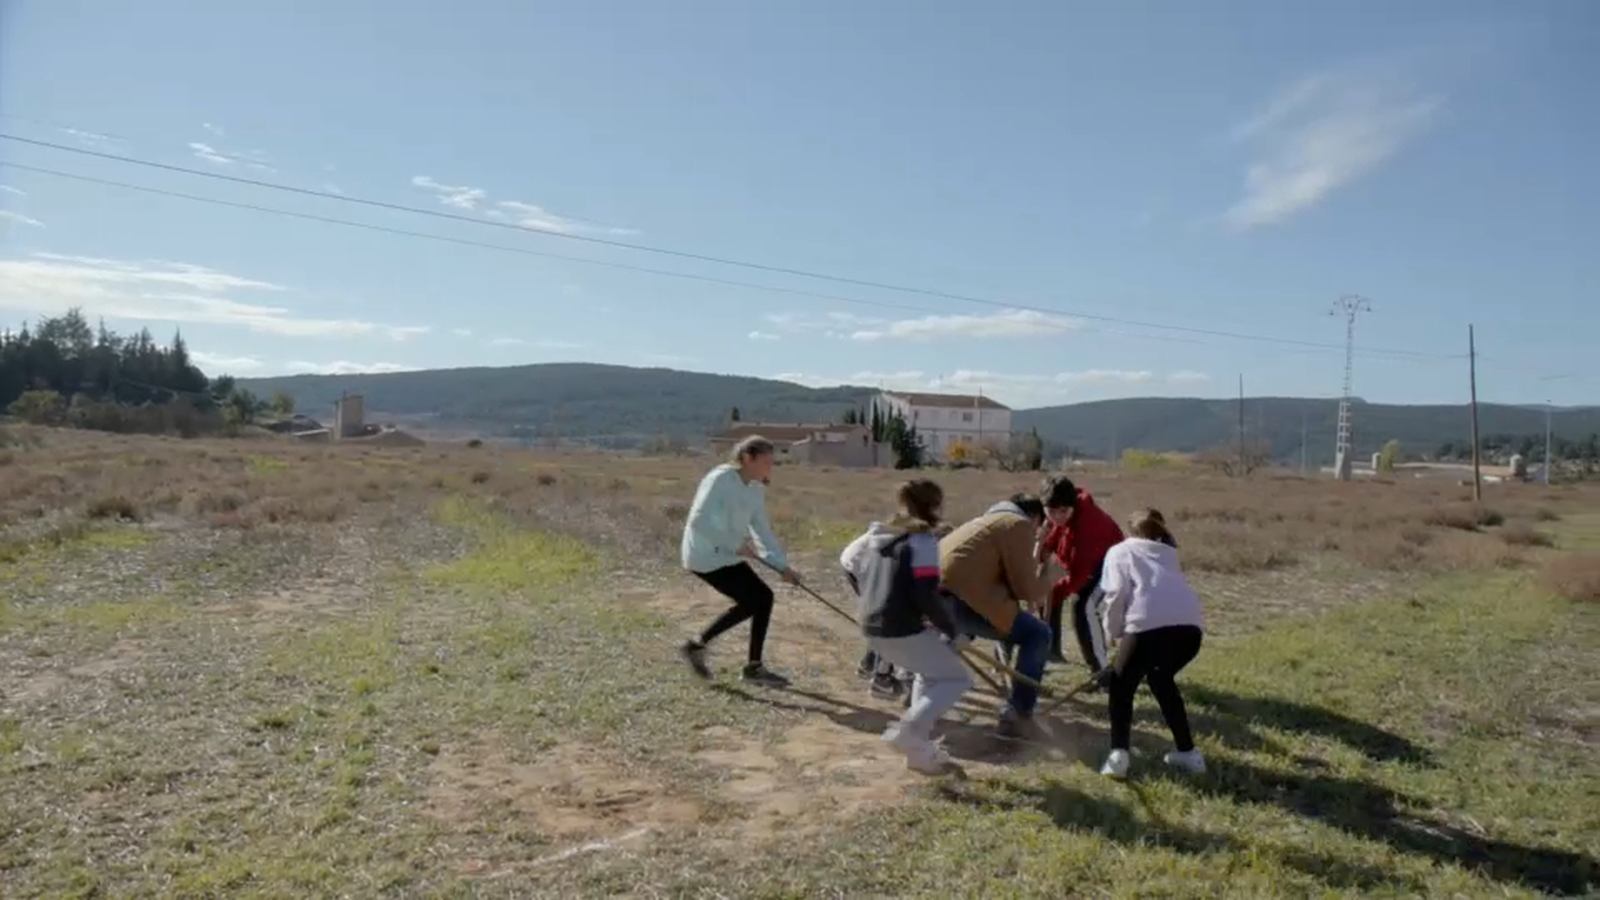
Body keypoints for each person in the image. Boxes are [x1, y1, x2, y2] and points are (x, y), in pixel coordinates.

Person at [854, 478, 970, 775]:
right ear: (934, 507)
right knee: (956, 679)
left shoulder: (881, 537)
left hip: (871, 624)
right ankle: (908, 732)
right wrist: (953, 631)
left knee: (928, 674)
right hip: (899, 626)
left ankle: (918, 752)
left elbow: (853, 565)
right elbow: (926, 593)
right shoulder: (922, 541)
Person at [678, 435, 803, 686]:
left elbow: (762, 531)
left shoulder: (755, 488)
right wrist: (735, 545)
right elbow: (699, 521)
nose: (770, 468)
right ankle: (708, 651)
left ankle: (746, 665)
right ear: (747, 458)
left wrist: (782, 567)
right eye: (766, 462)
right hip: (704, 555)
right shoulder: (720, 479)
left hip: (727, 554)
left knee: (761, 598)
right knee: (758, 599)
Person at [1094, 508, 1206, 779]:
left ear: (1129, 530)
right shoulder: (1169, 553)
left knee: (1121, 687)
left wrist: (1113, 633)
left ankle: (1119, 756)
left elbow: (1115, 595)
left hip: (1147, 627)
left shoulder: (1119, 551)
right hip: (1190, 631)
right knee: (1161, 680)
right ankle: (1188, 754)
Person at [938, 493, 1054, 737]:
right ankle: (1017, 714)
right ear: (1035, 518)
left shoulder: (984, 522)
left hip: (936, 600)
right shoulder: (1017, 524)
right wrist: (1049, 578)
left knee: (959, 634)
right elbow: (1024, 587)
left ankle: (920, 689)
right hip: (964, 600)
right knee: (1038, 633)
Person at [1037, 475, 1125, 676]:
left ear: (1072, 506)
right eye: (1051, 511)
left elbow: (1078, 575)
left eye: (1063, 511)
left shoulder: (1088, 526)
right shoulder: (1053, 517)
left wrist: (1055, 585)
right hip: (1083, 565)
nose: (1057, 517)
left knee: (1084, 606)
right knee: (1047, 590)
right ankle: (1051, 652)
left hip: (1110, 566)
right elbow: (1050, 546)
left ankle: (1101, 671)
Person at [840, 522, 909, 700]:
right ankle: (881, 680)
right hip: (860, 564)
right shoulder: (917, 550)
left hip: (857, 559)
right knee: (891, 621)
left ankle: (869, 663)